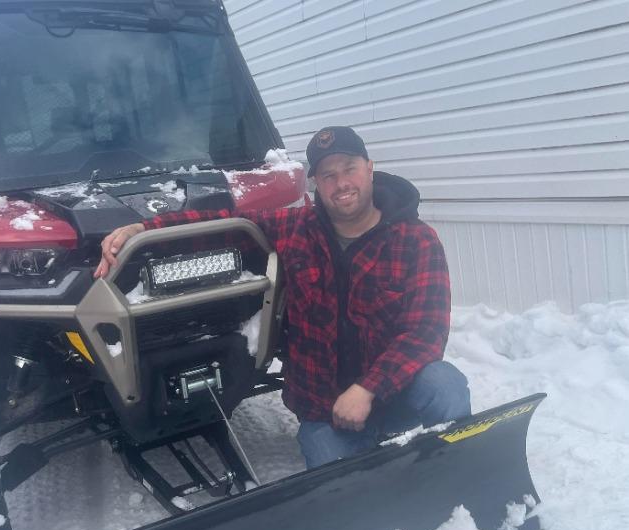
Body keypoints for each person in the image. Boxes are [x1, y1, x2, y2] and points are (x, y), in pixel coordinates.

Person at [95, 126, 470, 468]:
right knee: (335, 484)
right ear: (316, 185)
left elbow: (425, 333)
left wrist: (368, 388)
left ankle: (456, 467)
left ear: (370, 168)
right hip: (328, 411)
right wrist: (141, 229)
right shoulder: (295, 230)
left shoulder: (416, 241)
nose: (341, 183)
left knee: (444, 384)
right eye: (328, 175)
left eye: (349, 168)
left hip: (393, 395)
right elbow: (221, 226)